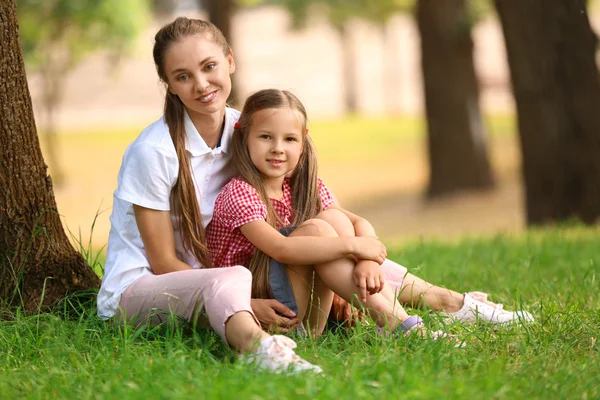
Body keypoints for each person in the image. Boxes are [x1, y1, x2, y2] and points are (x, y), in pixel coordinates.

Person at [96, 17, 323, 374]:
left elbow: (314, 207)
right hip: (143, 291)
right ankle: (264, 352)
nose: (201, 84)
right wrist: (243, 303)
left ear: (229, 61)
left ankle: (437, 304)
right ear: (169, 85)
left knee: (321, 238)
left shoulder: (251, 132)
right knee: (229, 277)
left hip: (221, 280)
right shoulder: (154, 152)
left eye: (209, 66)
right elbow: (161, 263)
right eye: (183, 76)